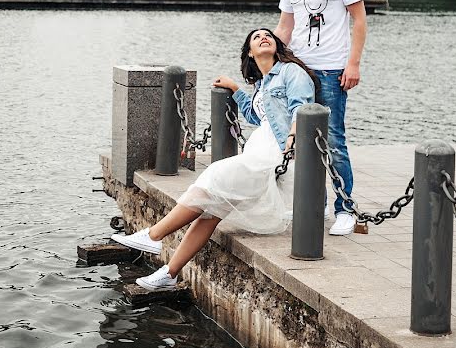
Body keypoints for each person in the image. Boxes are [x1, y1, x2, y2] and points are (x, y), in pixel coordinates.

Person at [112, 28, 317, 291]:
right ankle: (169, 273)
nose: (264, 37)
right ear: (250, 54)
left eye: (268, 35)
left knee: (215, 174)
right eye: (257, 37)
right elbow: (258, 118)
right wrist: (235, 89)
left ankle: (154, 235)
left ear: (277, 46)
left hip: (277, 154)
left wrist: (291, 141)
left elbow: (303, 108)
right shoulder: (263, 84)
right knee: (210, 212)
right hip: (259, 152)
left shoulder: (291, 72)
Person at [274, 0, 367, 236]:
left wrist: (352, 64)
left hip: (331, 69)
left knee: (334, 141)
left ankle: (346, 209)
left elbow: (359, 19)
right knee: (301, 142)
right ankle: (317, 202)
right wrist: (270, 64)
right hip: (298, 69)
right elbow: (285, 27)